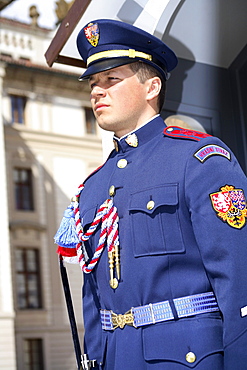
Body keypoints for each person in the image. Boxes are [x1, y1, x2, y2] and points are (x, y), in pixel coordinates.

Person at [55, 19, 247, 369]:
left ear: (151, 87)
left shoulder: (199, 160)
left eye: (111, 79)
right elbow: (95, 302)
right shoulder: (91, 189)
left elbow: (239, 279)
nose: (97, 91)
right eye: (93, 83)